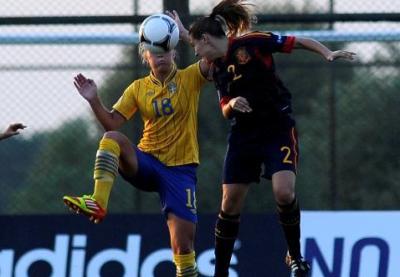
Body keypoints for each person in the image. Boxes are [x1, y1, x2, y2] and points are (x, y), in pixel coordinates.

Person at [185, 0, 356, 276]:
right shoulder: (214, 66)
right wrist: (233, 103)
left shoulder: (253, 43)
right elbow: (224, 109)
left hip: (277, 128)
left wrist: (326, 53)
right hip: (244, 136)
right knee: (229, 203)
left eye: (195, 45)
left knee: (284, 192)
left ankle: (296, 257)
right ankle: (221, 271)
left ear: (205, 39)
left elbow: (297, 41)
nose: (194, 53)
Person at [63, 13, 210, 277]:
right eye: (155, 51)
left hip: (180, 172)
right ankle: (98, 201)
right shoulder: (137, 88)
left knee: (184, 249)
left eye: (166, 49)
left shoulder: (190, 78)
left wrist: (188, 35)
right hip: (147, 163)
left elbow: (213, 58)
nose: (161, 55)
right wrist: (94, 99)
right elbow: (111, 123)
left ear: (175, 52)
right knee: (112, 139)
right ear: (146, 56)